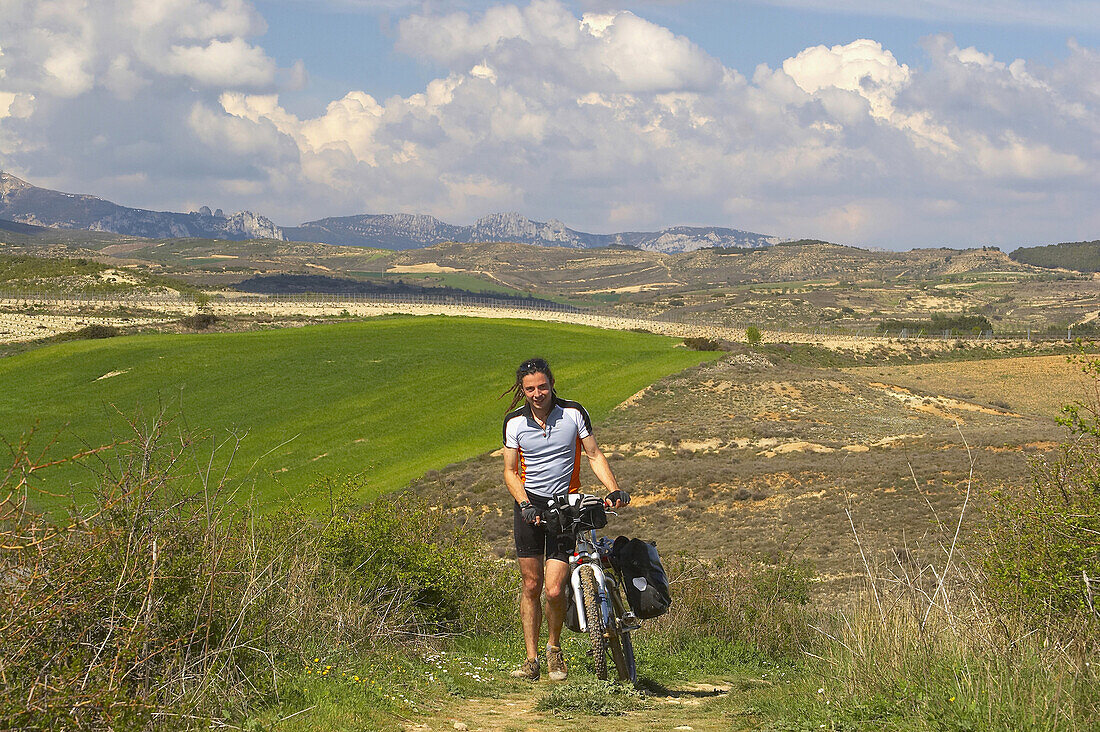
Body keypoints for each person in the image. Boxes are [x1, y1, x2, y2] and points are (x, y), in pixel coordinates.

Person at [501, 357, 629, 681]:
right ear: (522, 390)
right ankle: (530, 661)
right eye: (530, 388)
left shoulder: (573, 413)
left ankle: (554, 651)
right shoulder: (514, 423)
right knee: (531, 584)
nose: (537, 393)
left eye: (542, 386)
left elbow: (594, 454)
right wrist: (524, 503)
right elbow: (510, 471)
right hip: (528, 507)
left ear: (552, 383)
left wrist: (613, 489)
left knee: (555, 589)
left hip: (564, 507)